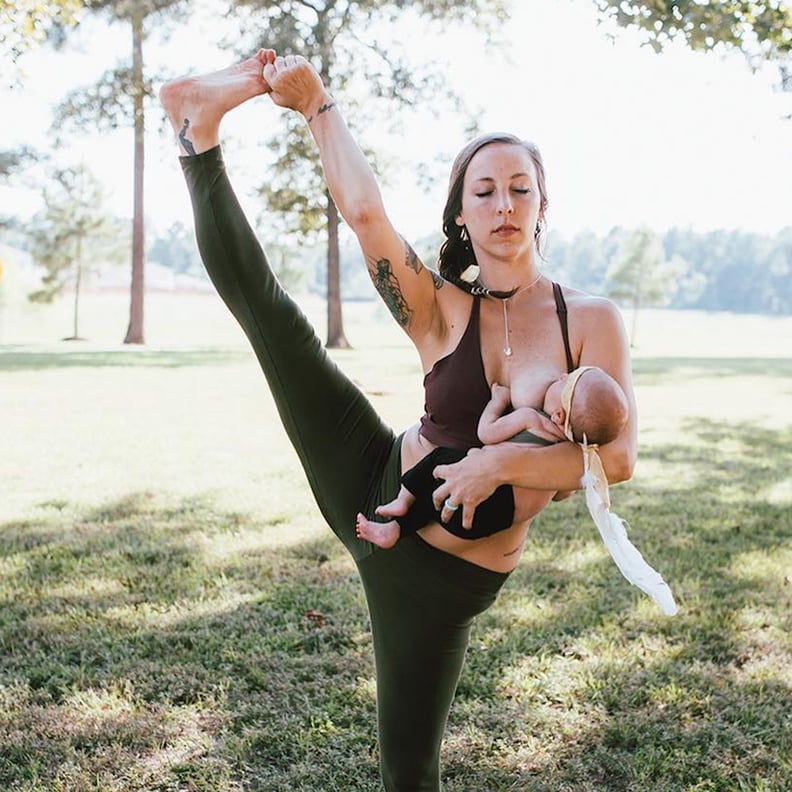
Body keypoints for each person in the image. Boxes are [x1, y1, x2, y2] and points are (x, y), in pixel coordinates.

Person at [159, 49, 639, 792]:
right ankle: (196, 134)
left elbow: (617, 459)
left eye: (520, 189)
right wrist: (318, 108)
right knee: (273, 319)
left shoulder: (591, 319)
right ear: (461, 211)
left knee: (409, 771)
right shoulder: (438, 306)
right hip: (373, 477)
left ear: (544, 204)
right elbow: (365, 214)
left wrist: (499, 463)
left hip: (438, 581)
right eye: (484, 191)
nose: (504, 206)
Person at [356, 366, 629, 549]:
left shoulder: (531, 418)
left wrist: (497, 401)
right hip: (499, 520)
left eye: (564, 381)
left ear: (558, 415)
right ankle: (393, 530)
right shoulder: (569, 455)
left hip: (484, 496)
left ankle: (402, 502)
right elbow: (562, 495)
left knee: (440, 462)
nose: (560, 376)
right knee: (437, 502)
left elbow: (486, 434)